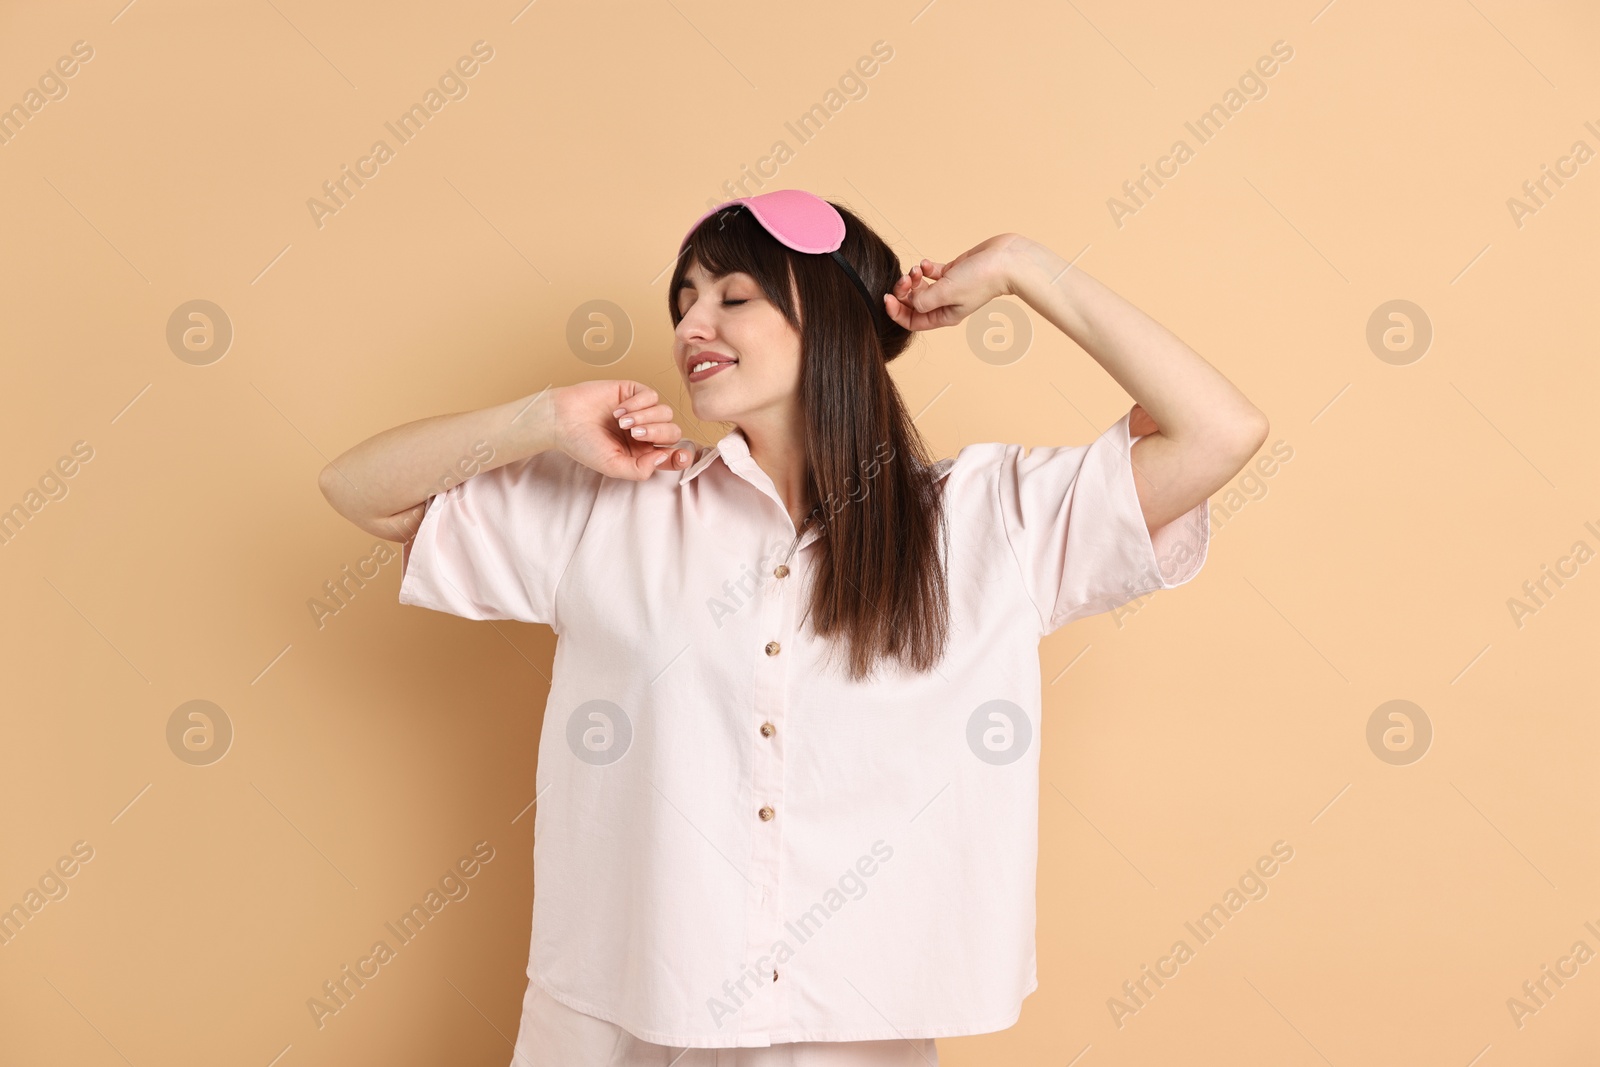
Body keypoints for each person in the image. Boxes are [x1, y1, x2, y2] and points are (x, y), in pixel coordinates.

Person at [318, 189, 1267, 1065]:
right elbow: (359, 490)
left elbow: (1220, 431)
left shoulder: (992, 522)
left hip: (850, 1031)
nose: (692, 324)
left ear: (833, 319)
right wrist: (543, 416)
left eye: (734, 297)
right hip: (614, 1025)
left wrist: (1022, 265)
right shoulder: (612, 508)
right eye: (684, 301)